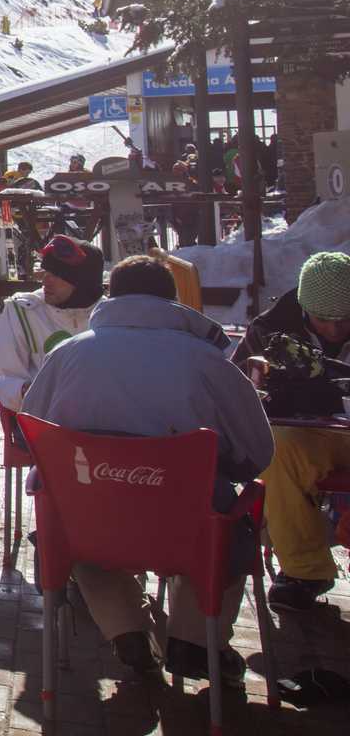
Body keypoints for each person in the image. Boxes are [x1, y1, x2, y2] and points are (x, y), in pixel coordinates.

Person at [22, 255, 274, 683]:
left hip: (90, 524)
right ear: (172, 300)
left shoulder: (68, 355)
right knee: (226, 524)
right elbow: (256, 451)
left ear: (111, 296)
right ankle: (195, 640)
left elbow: (35, 434)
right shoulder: (207, 361)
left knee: (75, 526)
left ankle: (125, 628)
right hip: (185, 527)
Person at [236, 250, 350, 609]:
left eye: (344, 320)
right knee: (277, 451)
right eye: (323, 320)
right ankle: (305, 570)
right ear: (304, 308)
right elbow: (239, 385)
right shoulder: (272, 329)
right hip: (310, 435)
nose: (334, 330)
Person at [0, 236, 104, 411]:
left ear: (82, 282)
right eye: (46, 272)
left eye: (57, 275)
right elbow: (0, 376)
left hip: (103, 421)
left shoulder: (109, 314)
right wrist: (25, 392)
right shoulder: (23, 311)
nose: (46, 280)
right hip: (41, 422)